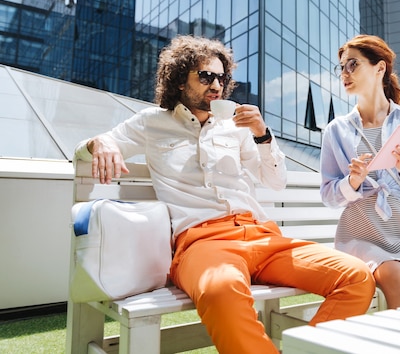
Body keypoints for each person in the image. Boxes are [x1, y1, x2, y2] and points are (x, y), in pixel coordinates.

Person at [74, 35, 375, 354]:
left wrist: (262, 135)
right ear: (178, 80)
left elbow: (275, 181)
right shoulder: (152, 124)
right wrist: (100, 143)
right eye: (205, 76)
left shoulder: (236, 127)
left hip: (262, 236)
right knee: (221, 290)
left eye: (221, 77)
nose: (216, 84)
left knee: (355, 276)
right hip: (203, 244)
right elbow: (87, 148)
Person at [320, 34, 400, 309]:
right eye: (342, 67)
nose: (345, 73)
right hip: (361, 232)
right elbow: (329, 196)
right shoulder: (336, 130)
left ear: (380, 68)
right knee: (396, 276)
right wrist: (352, 181)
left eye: (352, 64)